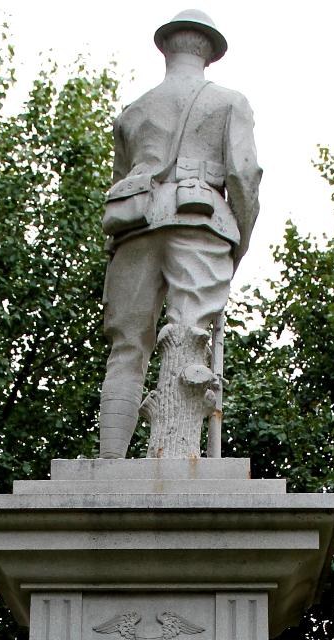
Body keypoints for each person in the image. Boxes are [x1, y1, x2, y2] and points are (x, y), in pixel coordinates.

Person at [99, 8, 261, 459]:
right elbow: (244, 176)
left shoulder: (133, 112)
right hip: (200, 222)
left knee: (127, 347)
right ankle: (175, 459)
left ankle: (110, 460)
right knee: (188, 339)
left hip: (136, 229)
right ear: (209, 52)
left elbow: (120, 180)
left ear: (165, 48)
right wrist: (240, 239)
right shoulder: (229, 102)